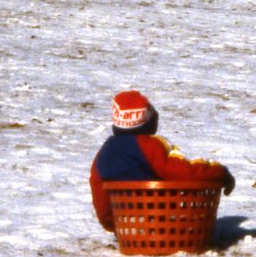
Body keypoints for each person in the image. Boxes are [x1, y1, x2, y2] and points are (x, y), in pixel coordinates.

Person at [89, 90, 235, 232]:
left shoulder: (104, 153)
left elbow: (98, 190)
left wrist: (112, 224)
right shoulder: (150, 146)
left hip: (128, 228)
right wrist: (220, 173)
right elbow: (183, 172)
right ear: (150, 123)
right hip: (162, 223)